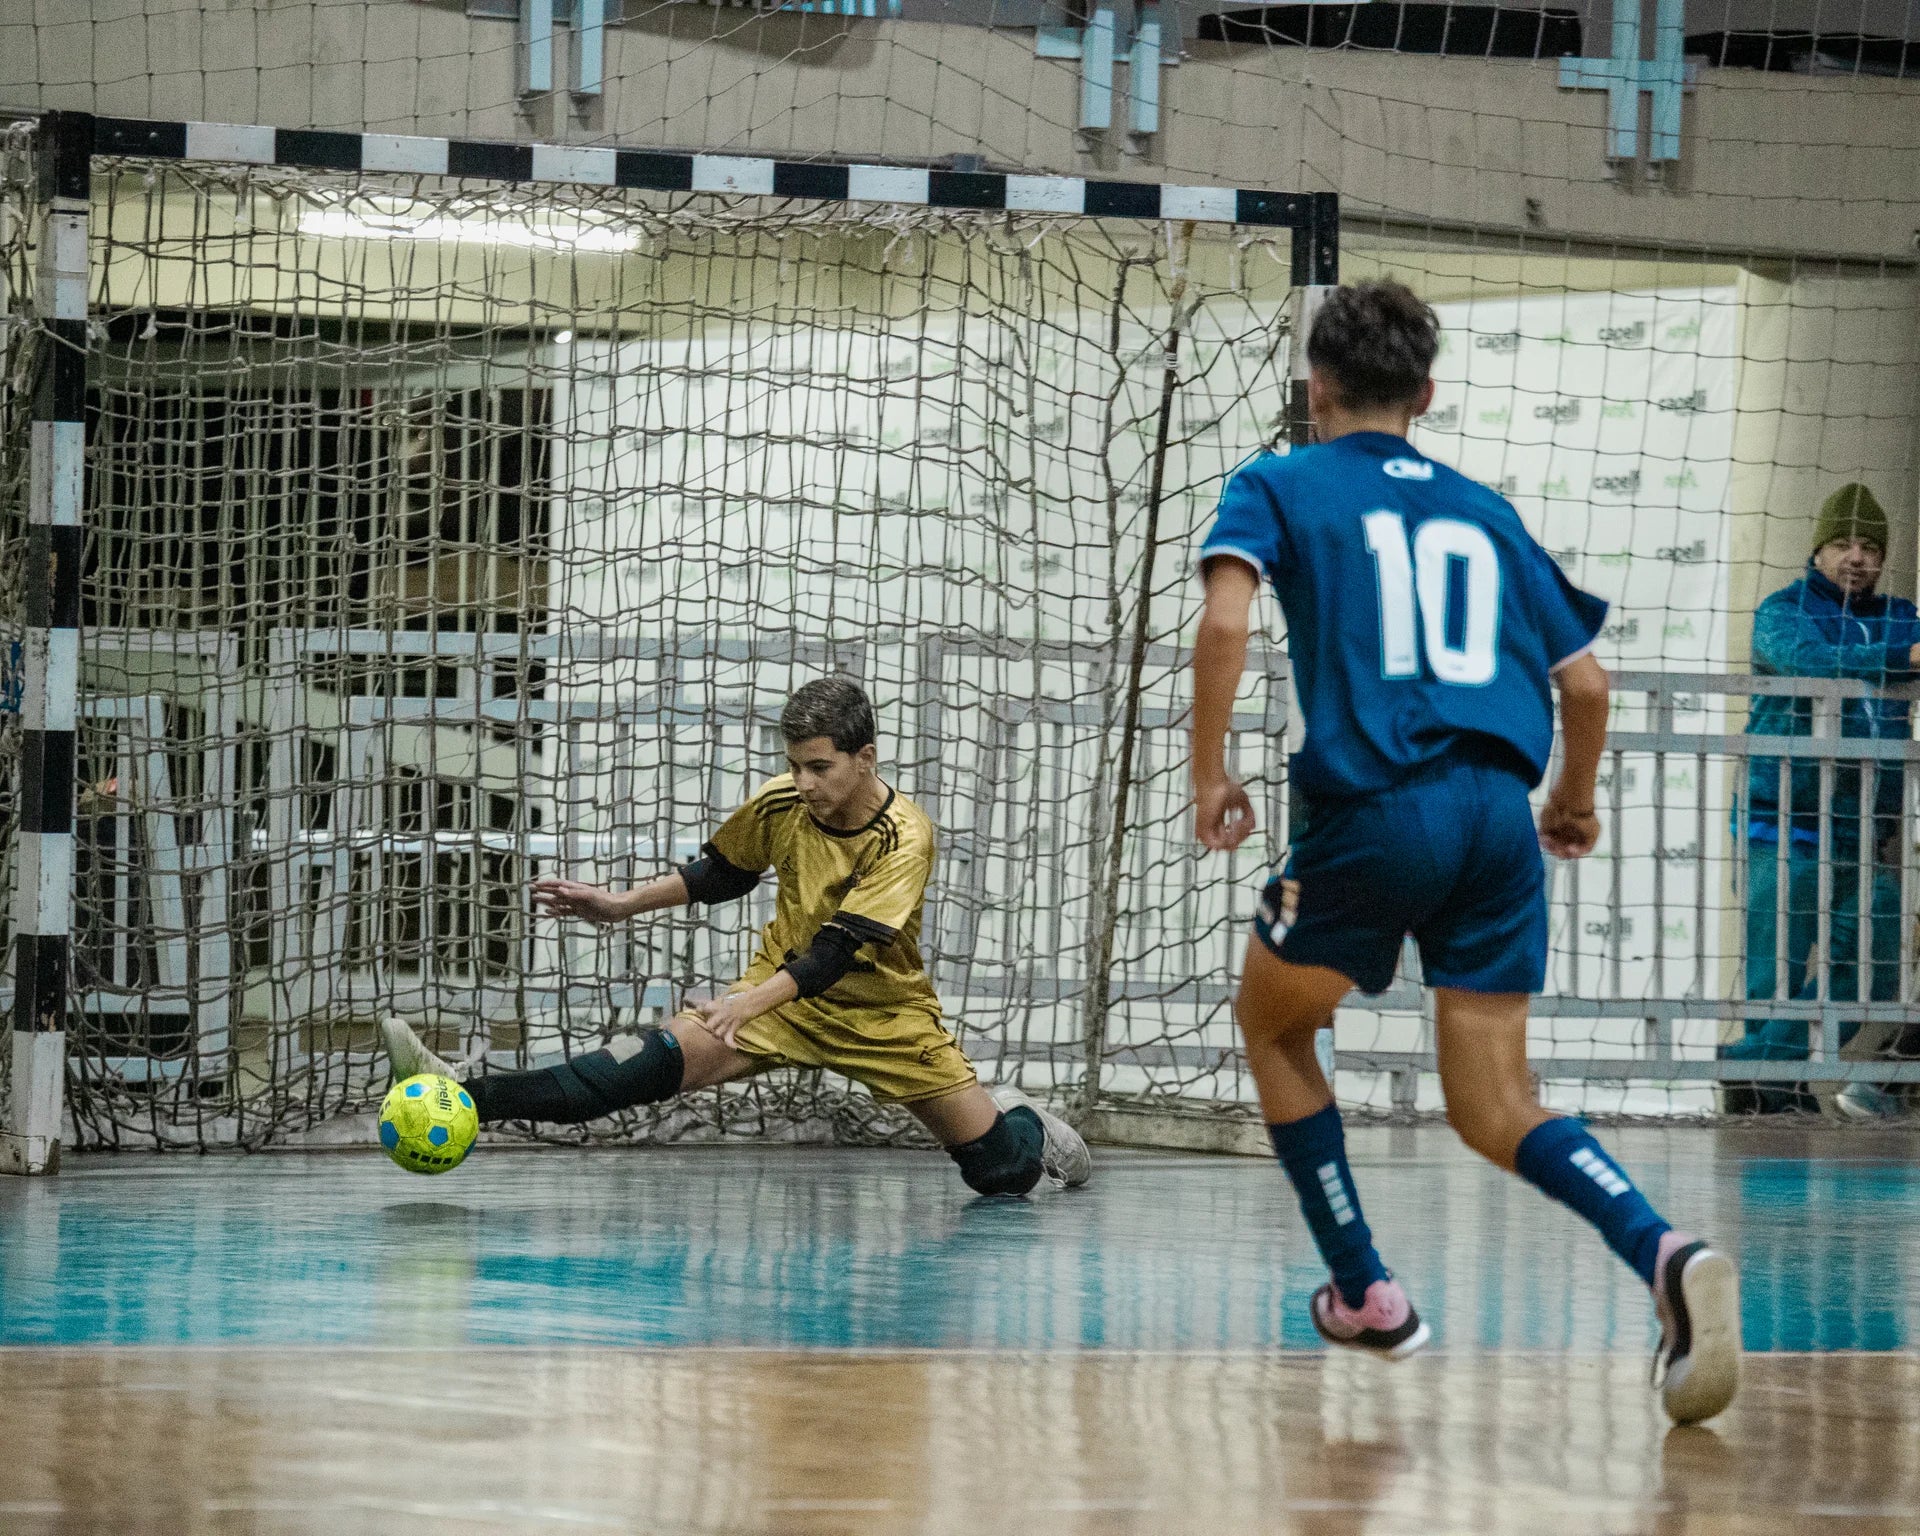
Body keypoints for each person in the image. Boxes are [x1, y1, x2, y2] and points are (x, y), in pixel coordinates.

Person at [1188, 280, 1740, 1424]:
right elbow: (1588, 684)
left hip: (1375, 806)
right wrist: (1570, 803)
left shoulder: (1276, 482)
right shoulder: (1486, 510)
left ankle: (1363, 1287)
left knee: (1276, 1025)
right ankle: (1664, 1252)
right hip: (1496, 816)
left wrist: (1208, 773)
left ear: (1315, 387)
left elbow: (1227, 621)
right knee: (1495, 1107)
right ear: (1427, 395)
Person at [381, 677, 1091, 1196]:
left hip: (884, 1015)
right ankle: (464, 1092)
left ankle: (1024, 1119)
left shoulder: (905, 836)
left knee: (1001, 1174)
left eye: (820, 767)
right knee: (635, 1068)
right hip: (780, 999)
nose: (803, 782)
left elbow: (834, 953)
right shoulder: (782, 802)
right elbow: (724, 873)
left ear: (865, 758)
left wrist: (744, 1003)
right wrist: (621, 904)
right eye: (795, 765)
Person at [1722, 484, 1920, 1118]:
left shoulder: (1902, 614)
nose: (1857, 558)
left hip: (1865, 829)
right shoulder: (1783, 610)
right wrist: (1901, 658)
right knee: (1773, 972)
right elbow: (1806, 660)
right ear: (1817, 550)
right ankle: (1771, 1089)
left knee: (1876, 968)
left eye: (1870, 548)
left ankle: (1752, 1067)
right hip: (1783, 818)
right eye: (1843, 544)